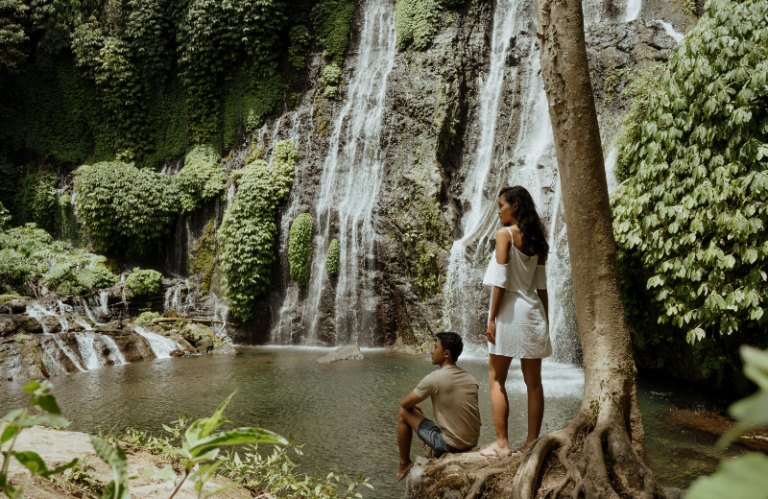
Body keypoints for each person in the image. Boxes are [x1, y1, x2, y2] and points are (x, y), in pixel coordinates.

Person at [480, 186, 550, 457]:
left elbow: (500, 282)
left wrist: (492, 319)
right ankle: (532, 442)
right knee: (534, 382)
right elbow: (542, 287)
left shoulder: (504, 234)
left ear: (515, 206)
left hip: (509, 314)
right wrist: (545, 319)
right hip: (533, 313)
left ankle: (502, 444)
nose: (498, 210)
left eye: (501, 205)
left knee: (496, 378)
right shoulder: (537, 239)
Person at [396, 332, 481, 481]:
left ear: (446, 353)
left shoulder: (434, 378)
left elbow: (404, 404)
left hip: (451, 444)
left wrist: (416, 407)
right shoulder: (470, 378)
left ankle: (404, 463)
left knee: (403, 412)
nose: (431, 351)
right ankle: (434, 452)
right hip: (471, 441)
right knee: (433, 450)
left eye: (435, 347)